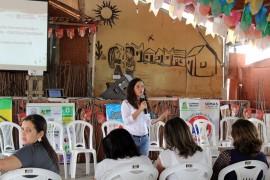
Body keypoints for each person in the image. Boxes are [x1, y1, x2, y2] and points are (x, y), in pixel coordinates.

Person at [121, 77, 169, 156]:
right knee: (132, 164)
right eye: (138, 86)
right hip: (131, 138)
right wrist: (140, 109)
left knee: (144, 164)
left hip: (145, 139)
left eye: (142, 86)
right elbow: (126, 122)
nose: (141, 88)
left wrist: (159, 119)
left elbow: (147, 123)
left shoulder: (144, 103)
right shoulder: (126, 103)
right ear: (132, 89)